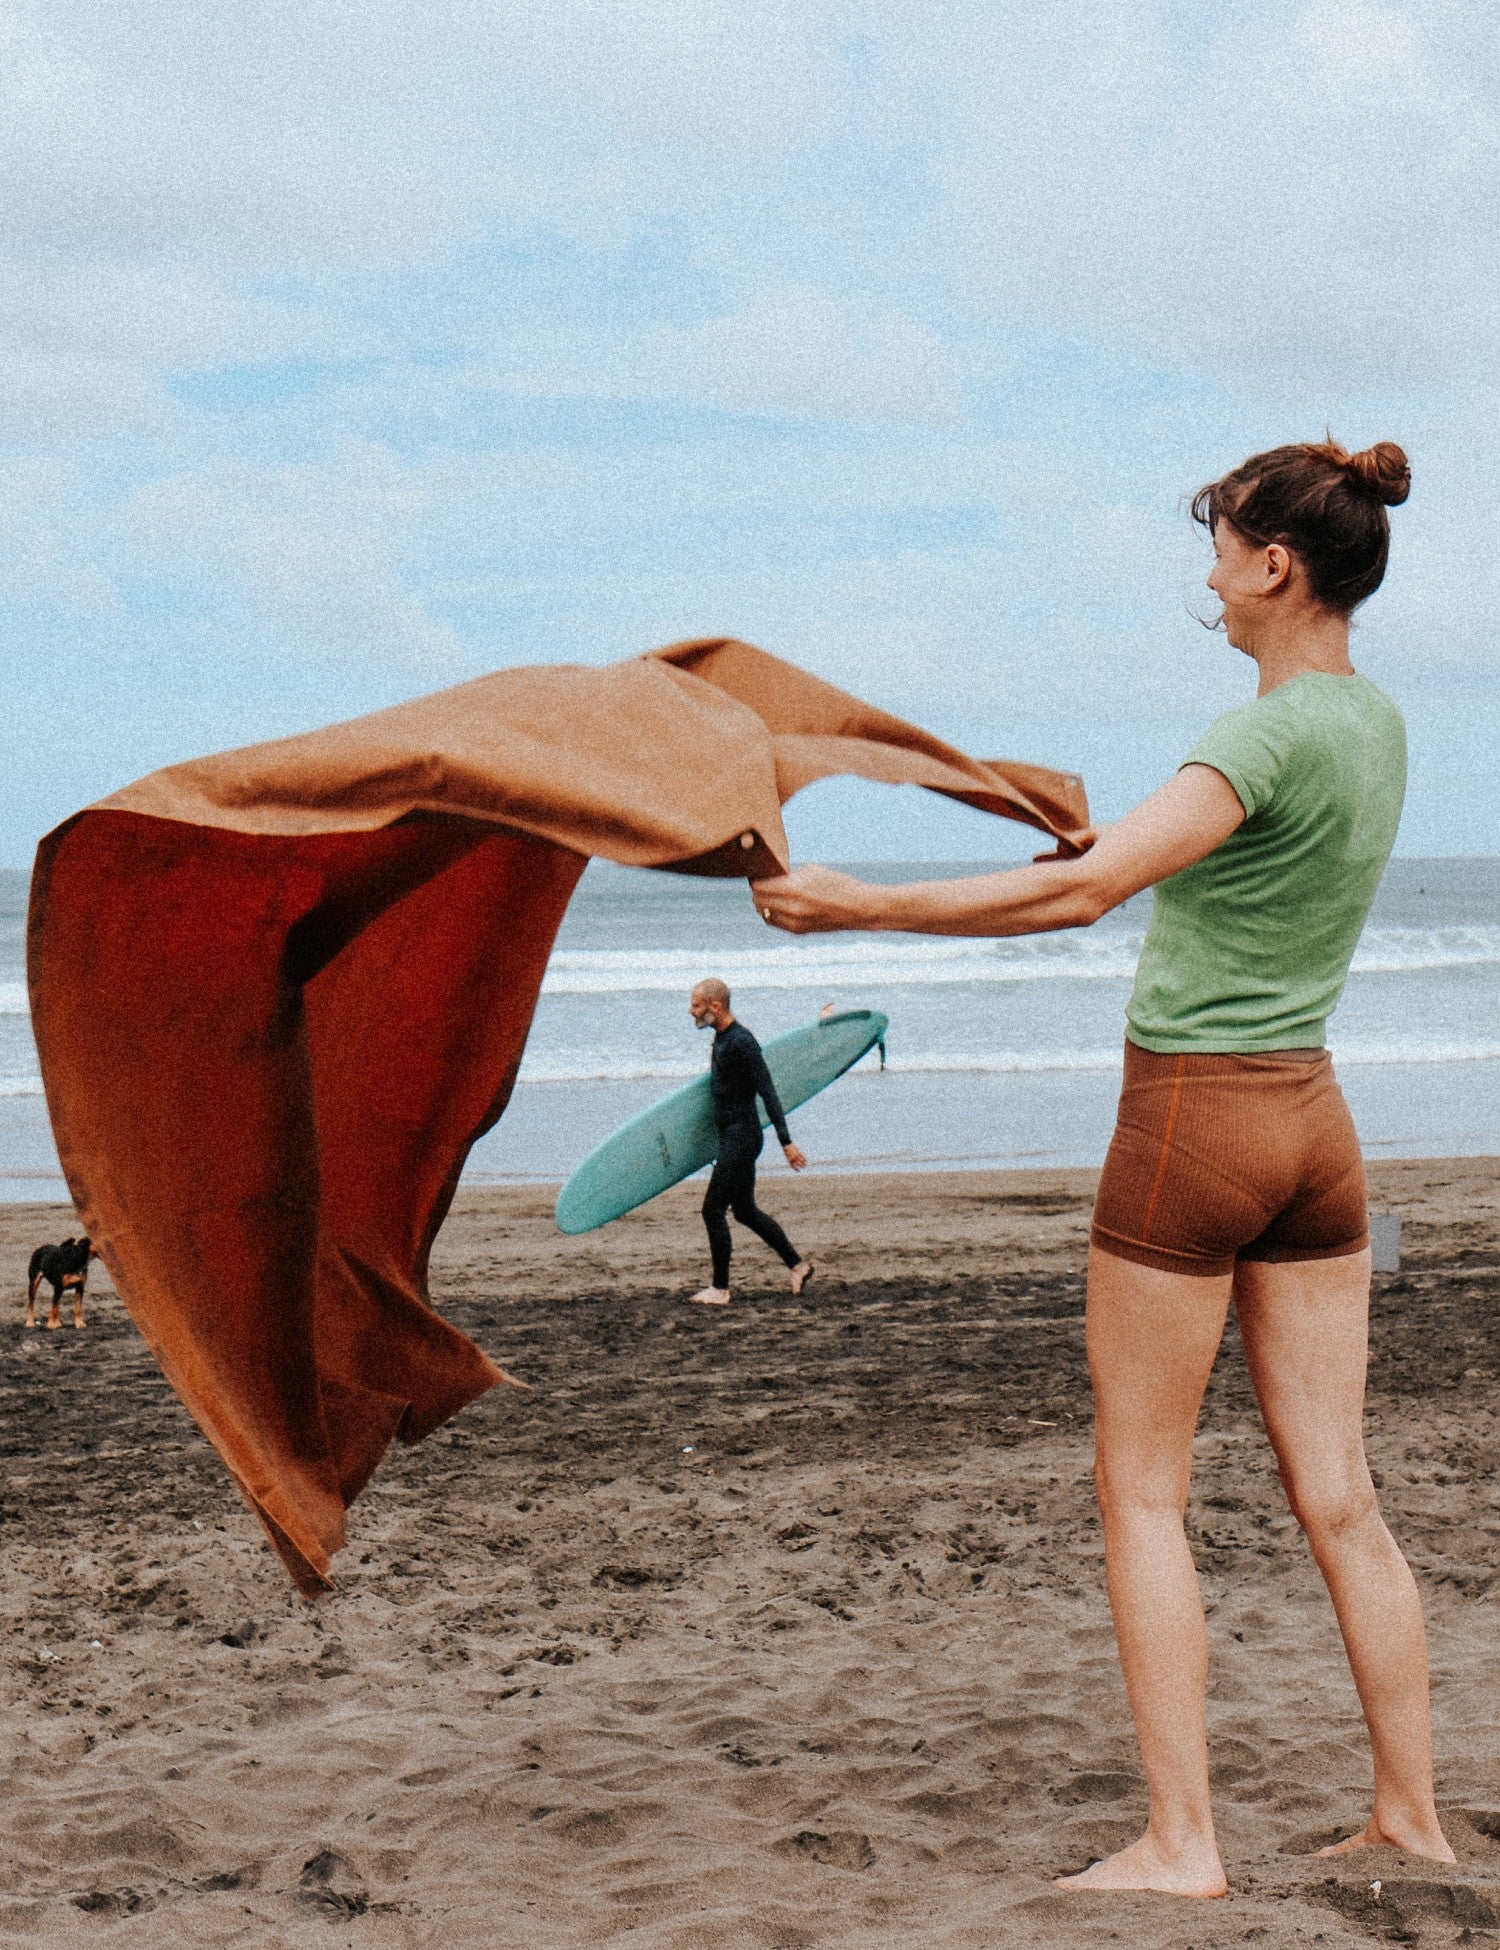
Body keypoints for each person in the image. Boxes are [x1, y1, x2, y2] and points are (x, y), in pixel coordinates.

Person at [752, 439, 1454, 1896]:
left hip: (1195, 1121)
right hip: (1315, 1127)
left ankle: (1182, 1843)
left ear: (1276, 567)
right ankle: (1412, 1817)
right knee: (1342, 1497)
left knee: (1141, 1492)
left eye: (1223, 547)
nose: (1210, 572)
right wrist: (1112, 845)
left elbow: (1082, 895)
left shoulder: (1259, 735)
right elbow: (1189, 864)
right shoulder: (1375, 725)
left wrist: (853, 906)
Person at [688, 978, 814, 1307]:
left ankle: (720, 1288)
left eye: (697, 1005)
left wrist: (786, 1142)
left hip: (742, 1137)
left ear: (716, 1006)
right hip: (732, 1137)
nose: (691, 1011)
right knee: (744, 1211)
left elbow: (768, 1091)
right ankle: (798, 1266)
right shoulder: (721, 1038)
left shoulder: (742, 1041)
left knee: (712, 1210)